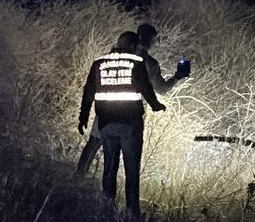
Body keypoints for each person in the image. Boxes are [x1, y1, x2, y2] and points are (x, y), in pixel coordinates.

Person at [75, 24, 187, 175]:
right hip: (132, 115)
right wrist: (177, 77)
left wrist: (84, 115)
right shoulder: (149, 63)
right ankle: (117, 193)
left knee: (94, 143)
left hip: (106, 108)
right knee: (129, 154)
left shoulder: (116, 56)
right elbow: (161, 89)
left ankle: (80, 177)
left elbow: (92, 87)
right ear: (152, 40)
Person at [78, 32, 165, 218]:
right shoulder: (136, 62)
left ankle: (107, 209)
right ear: (133, 45)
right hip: (131, 124)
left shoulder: (99, 63)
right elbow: (145, 88)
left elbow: (88, 91)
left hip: (106, 123)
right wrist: (156, 106)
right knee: (131, 170)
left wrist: (83, 117)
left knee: (110, 167)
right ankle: (132, 213)